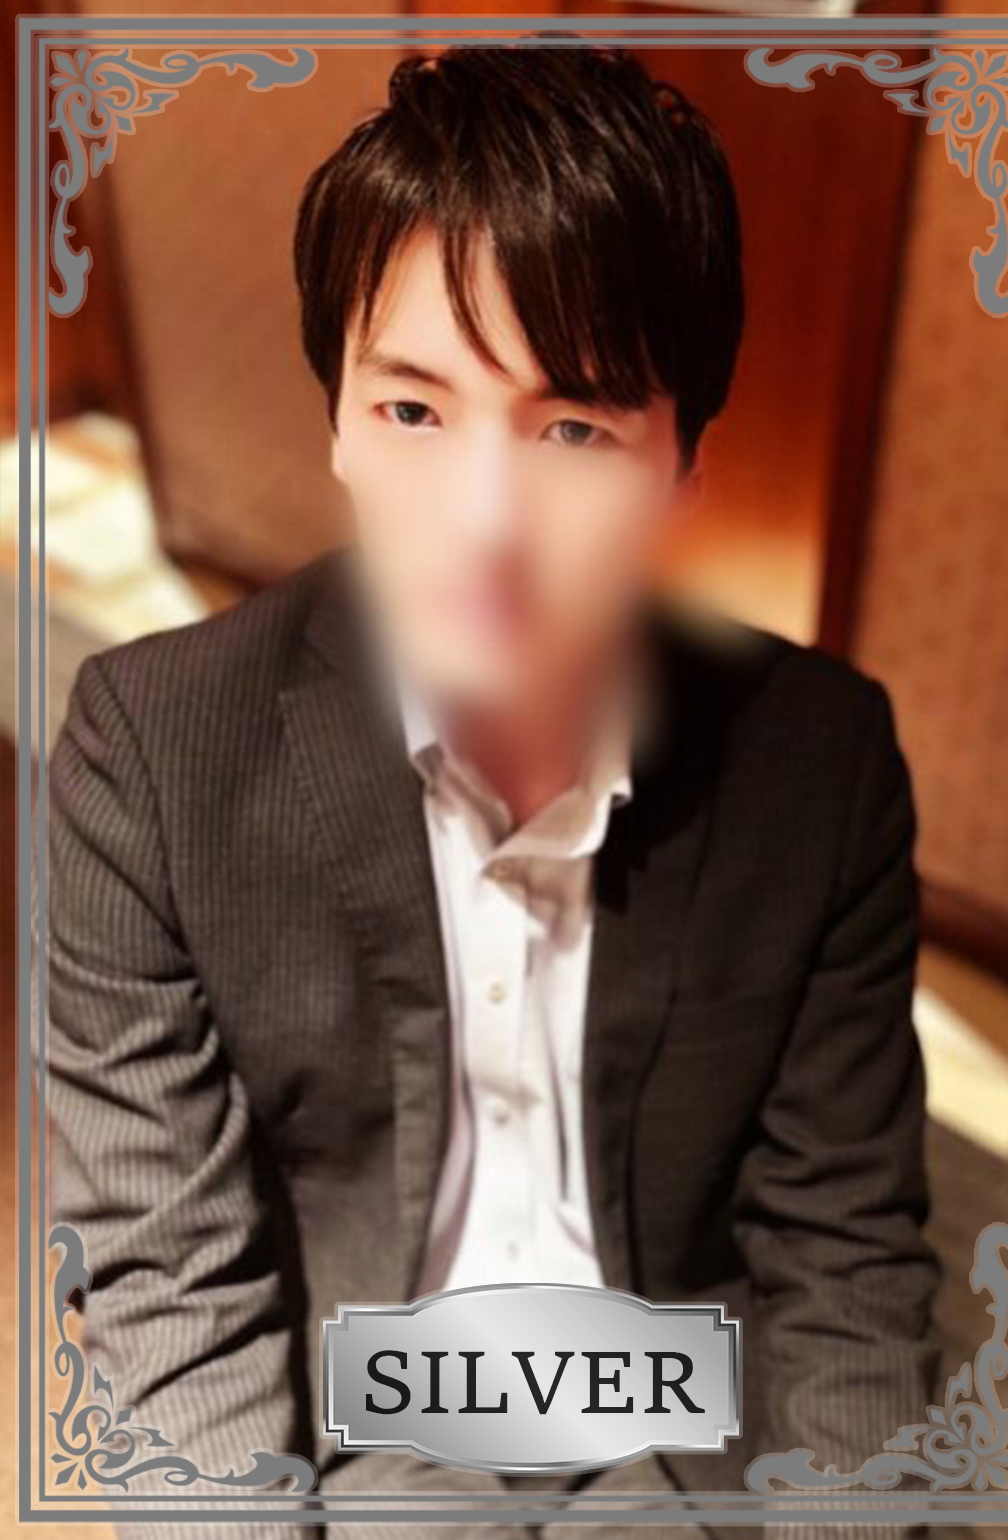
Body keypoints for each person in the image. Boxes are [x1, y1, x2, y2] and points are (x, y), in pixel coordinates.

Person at [44, 43, 939, 1539]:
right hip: (354, 1420)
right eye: (413, 411)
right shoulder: (148, 754)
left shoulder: (820, 763)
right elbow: (169, 1286)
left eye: (574, 428)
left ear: (684, 466)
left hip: (686, 1414)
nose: (483, 524)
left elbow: (844, 1262)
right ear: (337, 417)